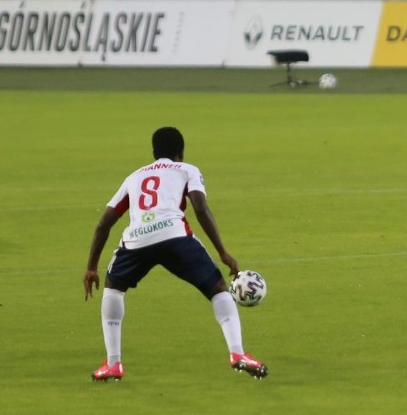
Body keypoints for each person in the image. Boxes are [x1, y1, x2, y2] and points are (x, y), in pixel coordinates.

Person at [83, 126, 268, 380]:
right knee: (217, 288)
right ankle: (237, 353)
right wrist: (223, 252)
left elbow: (104, 223)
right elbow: (201, 209)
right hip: (175, 236)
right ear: (180, 153)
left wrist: (92, 267)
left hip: (137, 240)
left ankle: (113, 364)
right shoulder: (186, 169)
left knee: (113, 287)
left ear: (153, 152)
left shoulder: (133, 177)